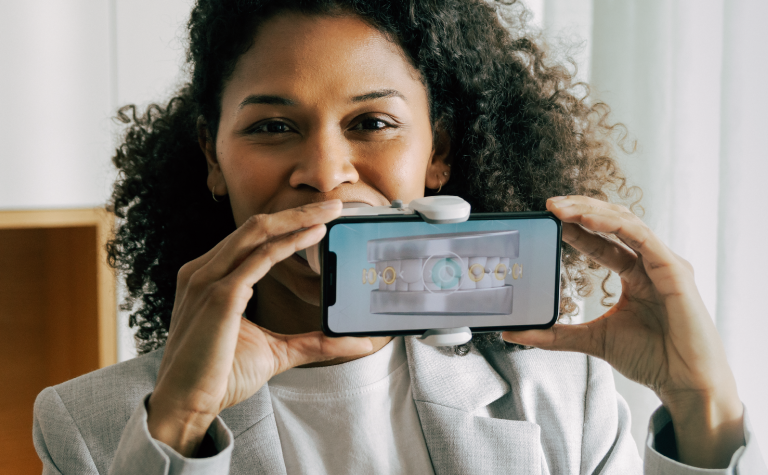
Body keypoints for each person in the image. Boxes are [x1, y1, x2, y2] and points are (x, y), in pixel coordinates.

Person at [33, 0, 766, 473]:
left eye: (371, 122)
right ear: (211, 159)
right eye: (272, 126)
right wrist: (183, 423)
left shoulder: (560, 396)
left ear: (437, 153)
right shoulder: (88, 427)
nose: (324, 172)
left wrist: (702, 404)